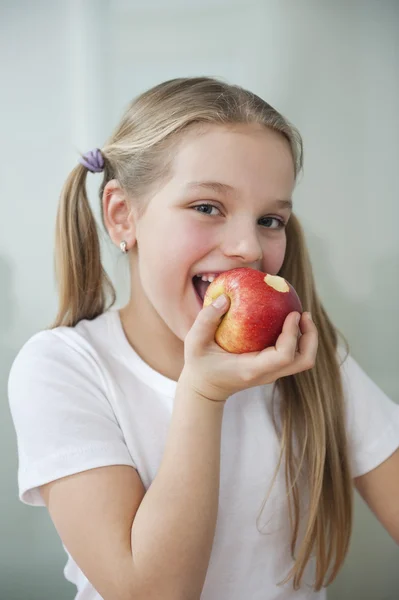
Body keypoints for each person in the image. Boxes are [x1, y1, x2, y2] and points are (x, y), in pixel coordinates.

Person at [7, 77, 399, 600]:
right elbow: (150, 592)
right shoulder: (63, 367)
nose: (248, 248)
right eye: (208, 207)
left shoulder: (306, 356)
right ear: (123, 215)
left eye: (269, 219)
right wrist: (203, 393)